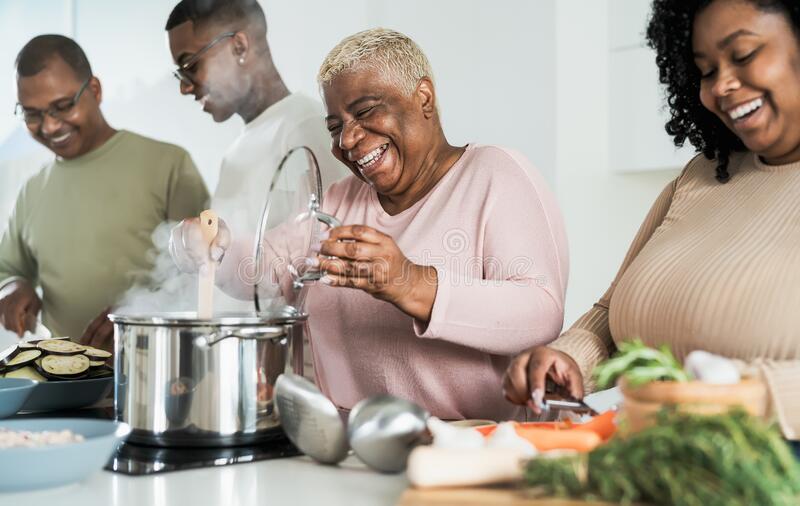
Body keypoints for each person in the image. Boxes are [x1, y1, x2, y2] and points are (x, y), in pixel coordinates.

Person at [170, 28, 569, 420]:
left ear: (424, 98)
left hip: (477, 449)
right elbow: (265, 269)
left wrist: (409, 282)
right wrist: (214, 246)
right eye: (334, 126)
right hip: (356, 448)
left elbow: (539, 312)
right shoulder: (339, 199)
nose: (347, 139)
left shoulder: (494, 175)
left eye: (364, 112)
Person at [504, 0, 800, 442]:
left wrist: (751, 395)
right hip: (654, 462)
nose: (722, 85)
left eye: (742, 55)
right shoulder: (702, 176)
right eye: (706, 70)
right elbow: (613, 312)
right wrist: (570, 359)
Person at [0, 35, 209, 351]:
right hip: (64, 383)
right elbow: (9, 270)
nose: (50, 126)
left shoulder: (169, 165)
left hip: (158, 374)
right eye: (33, 114)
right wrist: (12, 288)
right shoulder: (31, 190)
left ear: (94, 90)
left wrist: (137, 319)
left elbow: (208, 273)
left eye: (62, 106)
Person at [165, 0, 349, 238]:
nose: (184, 88)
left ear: (239, 47)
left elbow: (339, 244)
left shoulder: (306, 126)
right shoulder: (233, 154)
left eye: (190, 65)